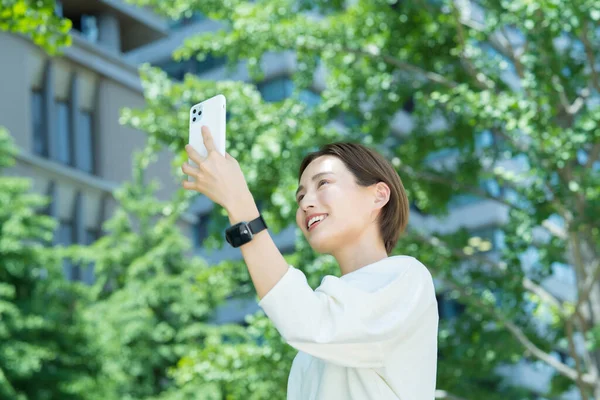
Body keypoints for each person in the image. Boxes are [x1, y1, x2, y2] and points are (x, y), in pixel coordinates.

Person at [182, 126, 439, 400]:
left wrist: (239, 203)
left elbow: (310, 323)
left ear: (378, 195)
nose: (306, 203)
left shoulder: (406, 277)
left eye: (323, 183)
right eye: (300, 196)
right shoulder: (310, 351)